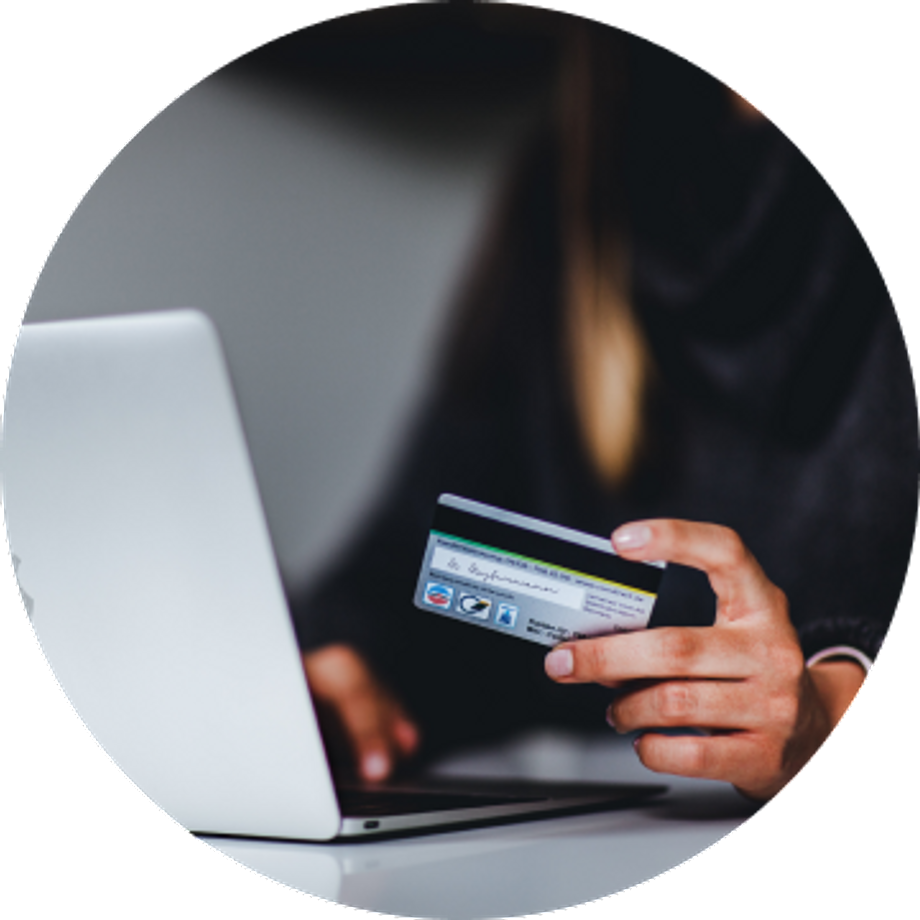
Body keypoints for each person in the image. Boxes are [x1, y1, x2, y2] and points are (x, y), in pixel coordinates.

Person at [290, 21, 918, 802]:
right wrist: (351, 665)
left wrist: (833, 709)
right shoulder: (576, 182)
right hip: (593, 839)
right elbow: (415, 559)